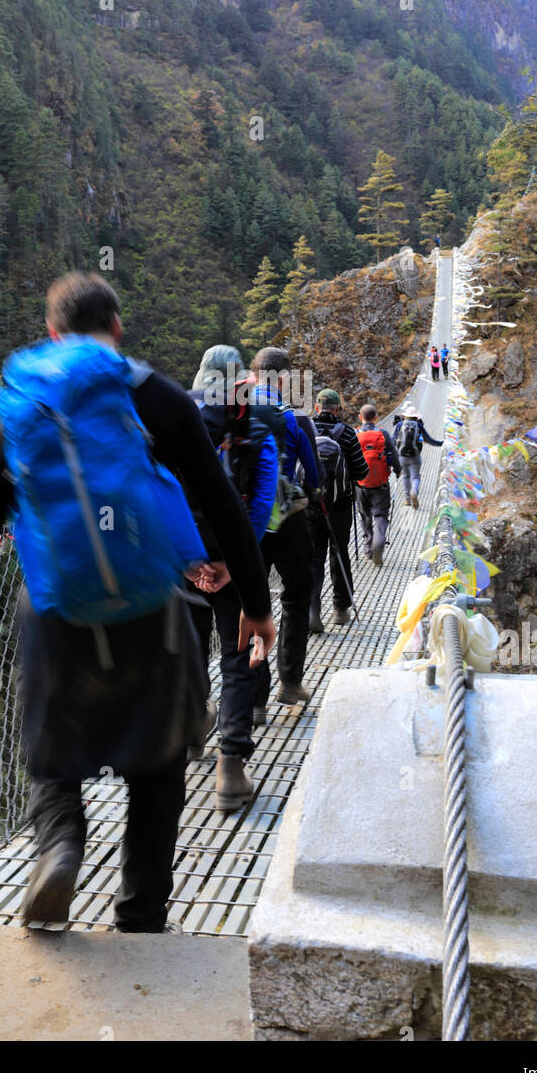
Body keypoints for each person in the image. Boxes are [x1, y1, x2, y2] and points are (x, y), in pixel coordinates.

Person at [0, 273, 275, 931]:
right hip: (150, 613)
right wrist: (256, 605)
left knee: (49, 749)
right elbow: (224, 507)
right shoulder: (160, 397)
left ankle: (61, 843)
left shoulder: (32, 399)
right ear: (118, 330)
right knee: (158, 764)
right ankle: (141, 914)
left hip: (55, 613)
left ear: (53, 334)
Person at [188, 345, 278, 813]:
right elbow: (262, 503)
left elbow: (159, 495)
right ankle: (230, 767)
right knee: (238, 654)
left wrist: (185, 561)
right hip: (234, 559)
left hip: (184, 562)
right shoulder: (258, 428)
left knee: (187, 646)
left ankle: (189, 728)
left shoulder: (178, 424)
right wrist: (235, 563)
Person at [249, 347, 321, 707]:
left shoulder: (234, 411)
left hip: (247, 523)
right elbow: (311, 473)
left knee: (252, 601)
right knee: (296, 594)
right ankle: (290, 683)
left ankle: (256, 697)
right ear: (282, 379)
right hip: (285, 518)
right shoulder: (290, 418)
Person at [308, 389, 369, 632]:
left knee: (313, 557)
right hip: (340, 506)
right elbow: (361, 471)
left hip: (309, 506)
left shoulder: (304, 428)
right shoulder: (347, 433)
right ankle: (341, 609)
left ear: (316, 407)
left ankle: (312, 610)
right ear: (337, 409)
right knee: (339, 553)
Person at [355, 404, 400, 568]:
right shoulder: (383, 434)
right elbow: (394, 455)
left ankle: (368, 549)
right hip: (380, 485)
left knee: (365, 516)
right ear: (375, 418)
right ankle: (379, 542)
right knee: (380, 517)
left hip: (361, 485)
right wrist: (398, 470)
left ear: (361, 417)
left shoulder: (355, 434)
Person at [393, 404, 442, 509]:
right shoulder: (419, 426)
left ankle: (407, 499)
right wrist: (441, 443)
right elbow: (429, 440)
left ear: (405, 415)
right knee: (415, 477)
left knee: (405, 476)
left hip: (402, 456)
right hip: (415, 456)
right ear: (416, 416)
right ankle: (414, 492)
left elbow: (393, 440)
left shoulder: (399, 425)